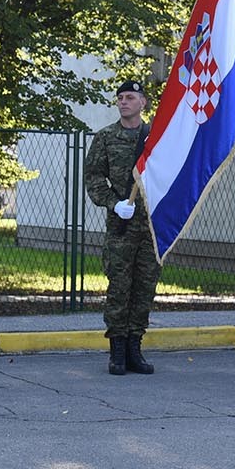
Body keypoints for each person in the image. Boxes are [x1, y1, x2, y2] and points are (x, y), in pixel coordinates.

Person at [84, 80, 160, 375]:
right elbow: (93, 178)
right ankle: (116, 351)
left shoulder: (157, 137)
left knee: (144, 290)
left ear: (144, 102)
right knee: (119, 289)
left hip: (152, 228)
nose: (123, 102)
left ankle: (134, 349)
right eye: (120, 98)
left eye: (130, 97)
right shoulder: (105, 138)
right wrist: (113, 202)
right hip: (121, 227)